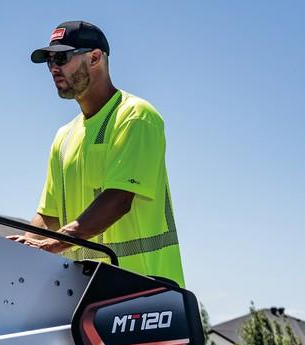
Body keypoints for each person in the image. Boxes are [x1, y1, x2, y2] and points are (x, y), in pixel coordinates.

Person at [10, 21, 184, 287]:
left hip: (147, 290)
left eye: (61, 57)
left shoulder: (136, 117)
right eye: (49, 61)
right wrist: (20, 252)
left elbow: (118, 200)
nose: (53, 68)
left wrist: (54, 244)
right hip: (86, 293)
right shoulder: (64, 137)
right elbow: (49, 216)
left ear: (94, 57)